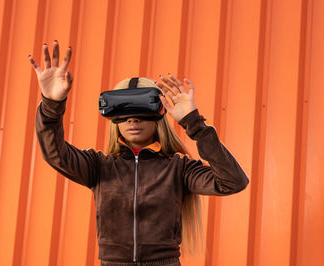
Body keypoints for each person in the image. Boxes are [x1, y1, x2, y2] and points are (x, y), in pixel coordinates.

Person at [29, 41, 249, 266]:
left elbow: (233, 182)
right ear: (114, 119)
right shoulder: (99, 166)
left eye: (142, 110)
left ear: (159, 115)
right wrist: (51, 105)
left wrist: (194, 123)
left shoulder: (179, 168)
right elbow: (55, 153)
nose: (133, 119)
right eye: (124, 112)